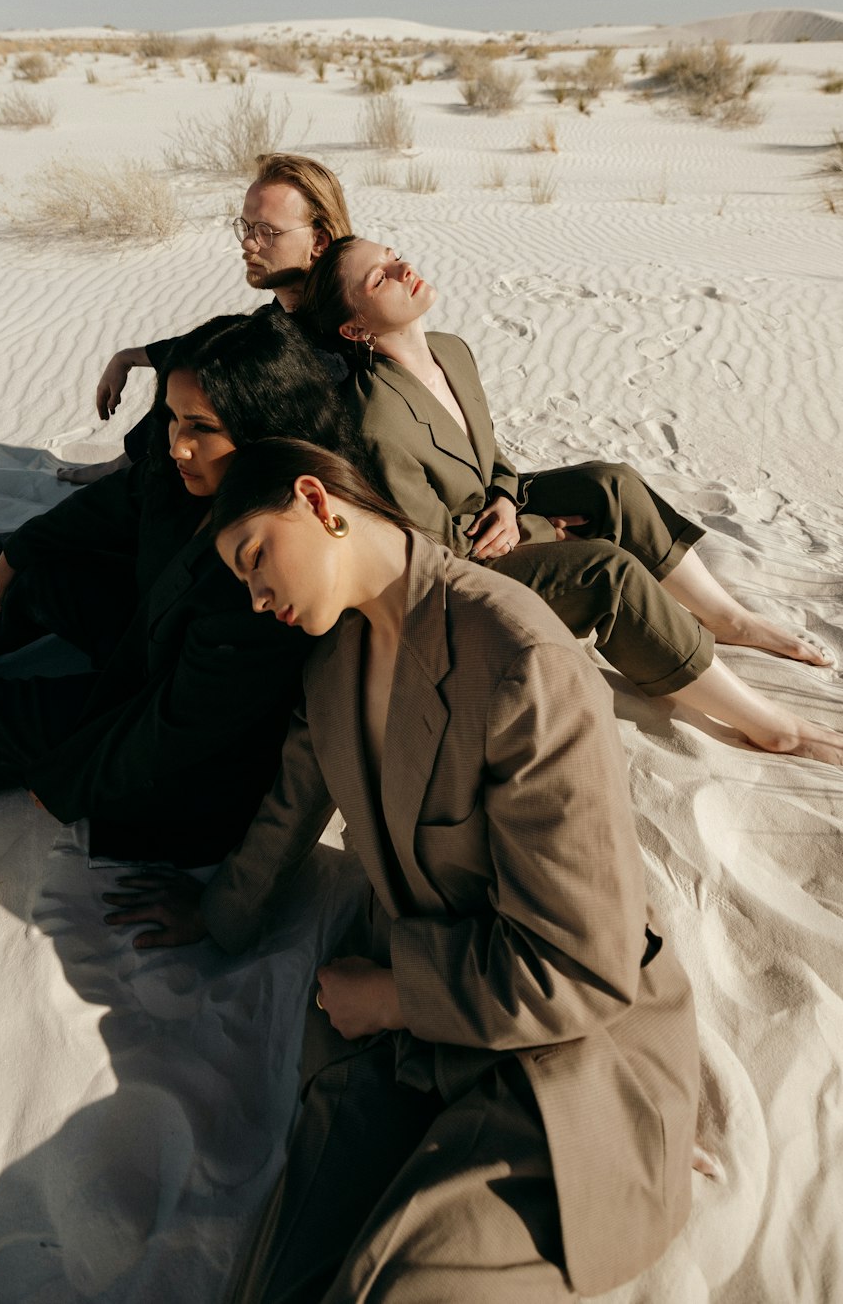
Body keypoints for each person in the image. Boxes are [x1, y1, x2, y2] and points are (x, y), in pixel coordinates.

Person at [106, 438, 700, 1301]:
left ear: (317, 500)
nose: (257, 592)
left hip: (561, 1057)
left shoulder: (520, 658)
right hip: (399, 1053)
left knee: (396, 1287)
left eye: (256, 557)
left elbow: (581, 966)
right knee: (280, 1283)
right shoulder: (332, 665)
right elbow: (289, 810)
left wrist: (388, 994)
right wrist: (216, 912)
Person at [293, 236, 842, 765]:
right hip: (466, 568)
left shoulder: (450, 351)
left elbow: (489, 457)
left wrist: (510, 503)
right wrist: (539, 531)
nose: (401, 269)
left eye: (393, 256)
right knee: (607, 571)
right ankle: (771, 728)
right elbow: (436, 548)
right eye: (379, 276)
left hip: (493, 512)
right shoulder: (374, 420)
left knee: (611, 483)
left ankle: (728, 619)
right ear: (354, 326)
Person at [0, 315, 356, 863]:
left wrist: (72, 780)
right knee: (40, 575)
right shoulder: (192, 471)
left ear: (264, 428)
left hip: (173, 749)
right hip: (151, 640)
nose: (178, 445)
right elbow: (118, 499)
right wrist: (18, 551)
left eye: (200, 427)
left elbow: (183, 724)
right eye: (173, 418)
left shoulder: (275, 557)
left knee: (0, 716)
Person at [0, 153, 353, 580]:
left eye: (266, 232)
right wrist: (129, 358)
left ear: (319, 241)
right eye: (244, 227)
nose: (248, 244)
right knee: (182, 389)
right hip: (182, 481)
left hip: (217, 509)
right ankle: (109, 471)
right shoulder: (280, 313)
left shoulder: (330, 339)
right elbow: (209, 347)